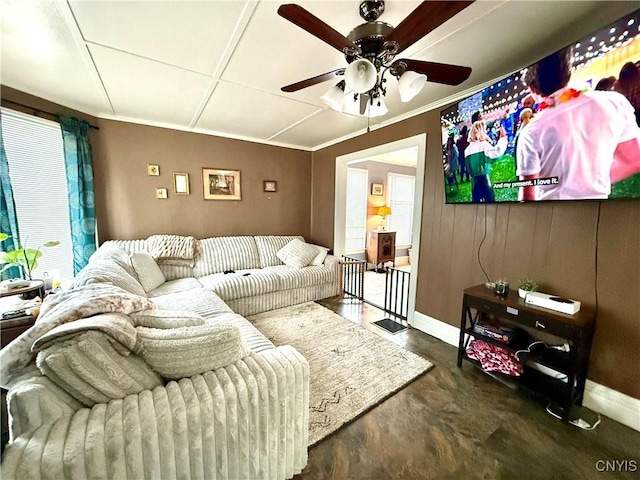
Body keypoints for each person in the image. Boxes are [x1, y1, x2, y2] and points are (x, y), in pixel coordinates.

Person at [517, 47, 640, 201]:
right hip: (599, 214)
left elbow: (527, 198)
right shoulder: (615, 103)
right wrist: (589, 182)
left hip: (551, 218)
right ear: (568, 70)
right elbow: (633, 160)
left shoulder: (532, 131)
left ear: (532, 89)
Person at [464, 120, 507, 202]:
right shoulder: (483, 145)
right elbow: (497, 152)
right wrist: (503, 139)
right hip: (484, 181)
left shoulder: (467, 150)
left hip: (474, 184)